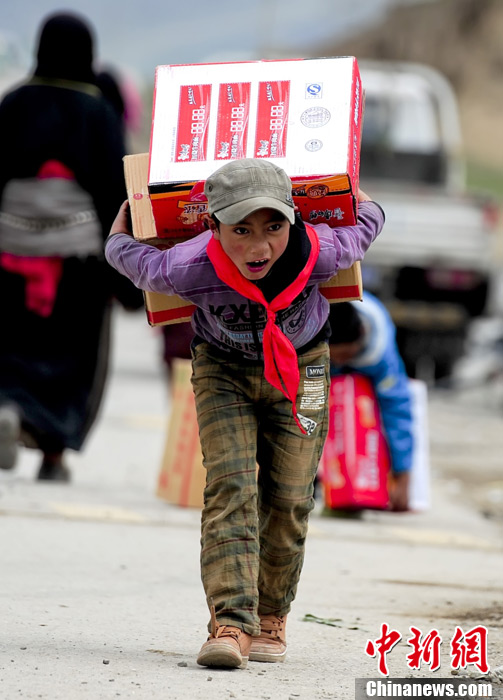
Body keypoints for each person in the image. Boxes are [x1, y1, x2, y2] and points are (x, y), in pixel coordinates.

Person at [105, 158, 384, 669]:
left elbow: (367, 227)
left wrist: (362, 200)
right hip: (222, 370)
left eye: (274, 227)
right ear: (213, 226)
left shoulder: (322, 252)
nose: (259, 248)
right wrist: (122, 228)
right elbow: (131, 259)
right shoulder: (187, 266)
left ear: (294, 221)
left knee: (292, 495)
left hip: (306, 370)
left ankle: (272, 614)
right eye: (241, 230)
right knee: (231, 487)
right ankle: (232, 623)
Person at [0, 12, 127, 481]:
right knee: (75, 357)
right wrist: (128, 276)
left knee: (11, 346)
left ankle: (8, 406)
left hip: (9, 253)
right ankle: (53, 454)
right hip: (80, 263)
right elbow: (115, 193)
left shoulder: (13, 104)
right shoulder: (98, 113)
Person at [327, 292, 414, 512]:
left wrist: (402, 475)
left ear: (363, 335)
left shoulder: (382, 354)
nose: (341, 361)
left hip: (370, 371)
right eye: (336, 357)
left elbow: (397, 411)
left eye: (346, 356)